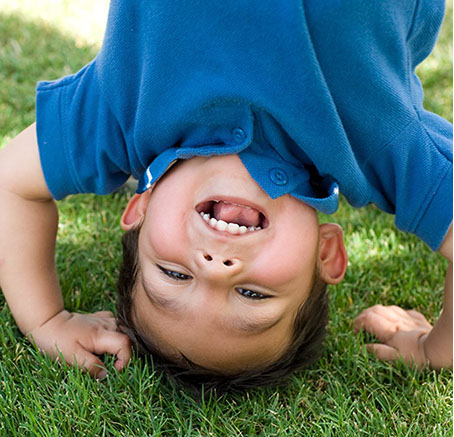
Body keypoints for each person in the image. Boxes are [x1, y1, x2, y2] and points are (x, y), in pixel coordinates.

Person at [0, 0, 451, 391]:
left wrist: (45, 320)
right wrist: (437, 351)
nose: (215, 269)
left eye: (175, 276)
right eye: (253, 296)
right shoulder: (374, 142)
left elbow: (11, 184)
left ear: (139, 210)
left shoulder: (122, 111)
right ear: (326, 254)